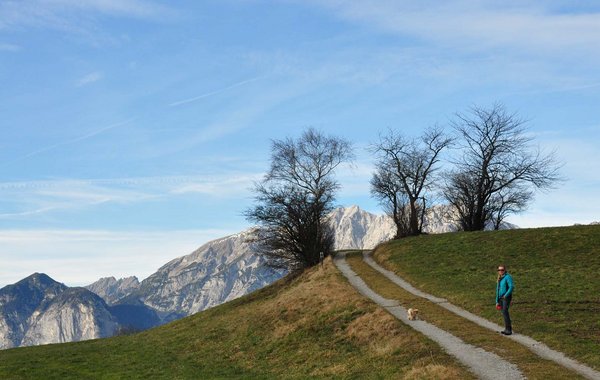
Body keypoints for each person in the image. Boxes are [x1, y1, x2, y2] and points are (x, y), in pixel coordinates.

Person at [495, 264, 514, 335]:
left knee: (505, 312)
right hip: (500, 298)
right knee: (504, 313)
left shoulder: (508, 277)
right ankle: (506, 329)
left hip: (506, 297)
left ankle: (509, 330)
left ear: (505, 270)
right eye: (499, 270)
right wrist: (496, 301)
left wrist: (506, 295)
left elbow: (511, 287)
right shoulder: (499, 278)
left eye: (502, 270)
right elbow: (497, 290)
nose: (500, 271)